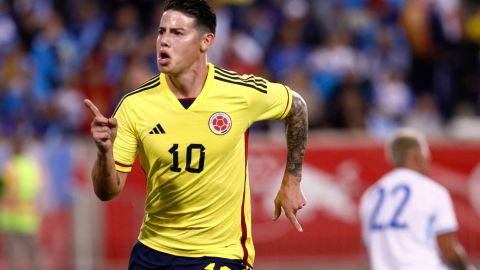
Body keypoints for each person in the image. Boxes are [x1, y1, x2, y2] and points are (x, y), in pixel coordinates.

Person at [84, 1, 308, 269]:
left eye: (177, 34)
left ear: (205, 42)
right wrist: (103, 151)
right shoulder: (135, 106)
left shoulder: (239, 93)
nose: (164, 41)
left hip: (219, 254)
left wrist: (292, 180)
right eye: (161, 32)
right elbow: (107, 192)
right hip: (153, 253)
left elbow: (297, 106)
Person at [359, 128, 477, 270]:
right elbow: (449, 249)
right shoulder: (433, 191)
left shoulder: (370, 195)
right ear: (417, 155)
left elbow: (370, 244)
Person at [0, 137, 44, 270]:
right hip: (28, 217)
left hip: (11, 217)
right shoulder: (32, 166)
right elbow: (39, 189)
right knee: (34, 253)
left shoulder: (10, 168)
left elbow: (3, 190)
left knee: (13, 256)